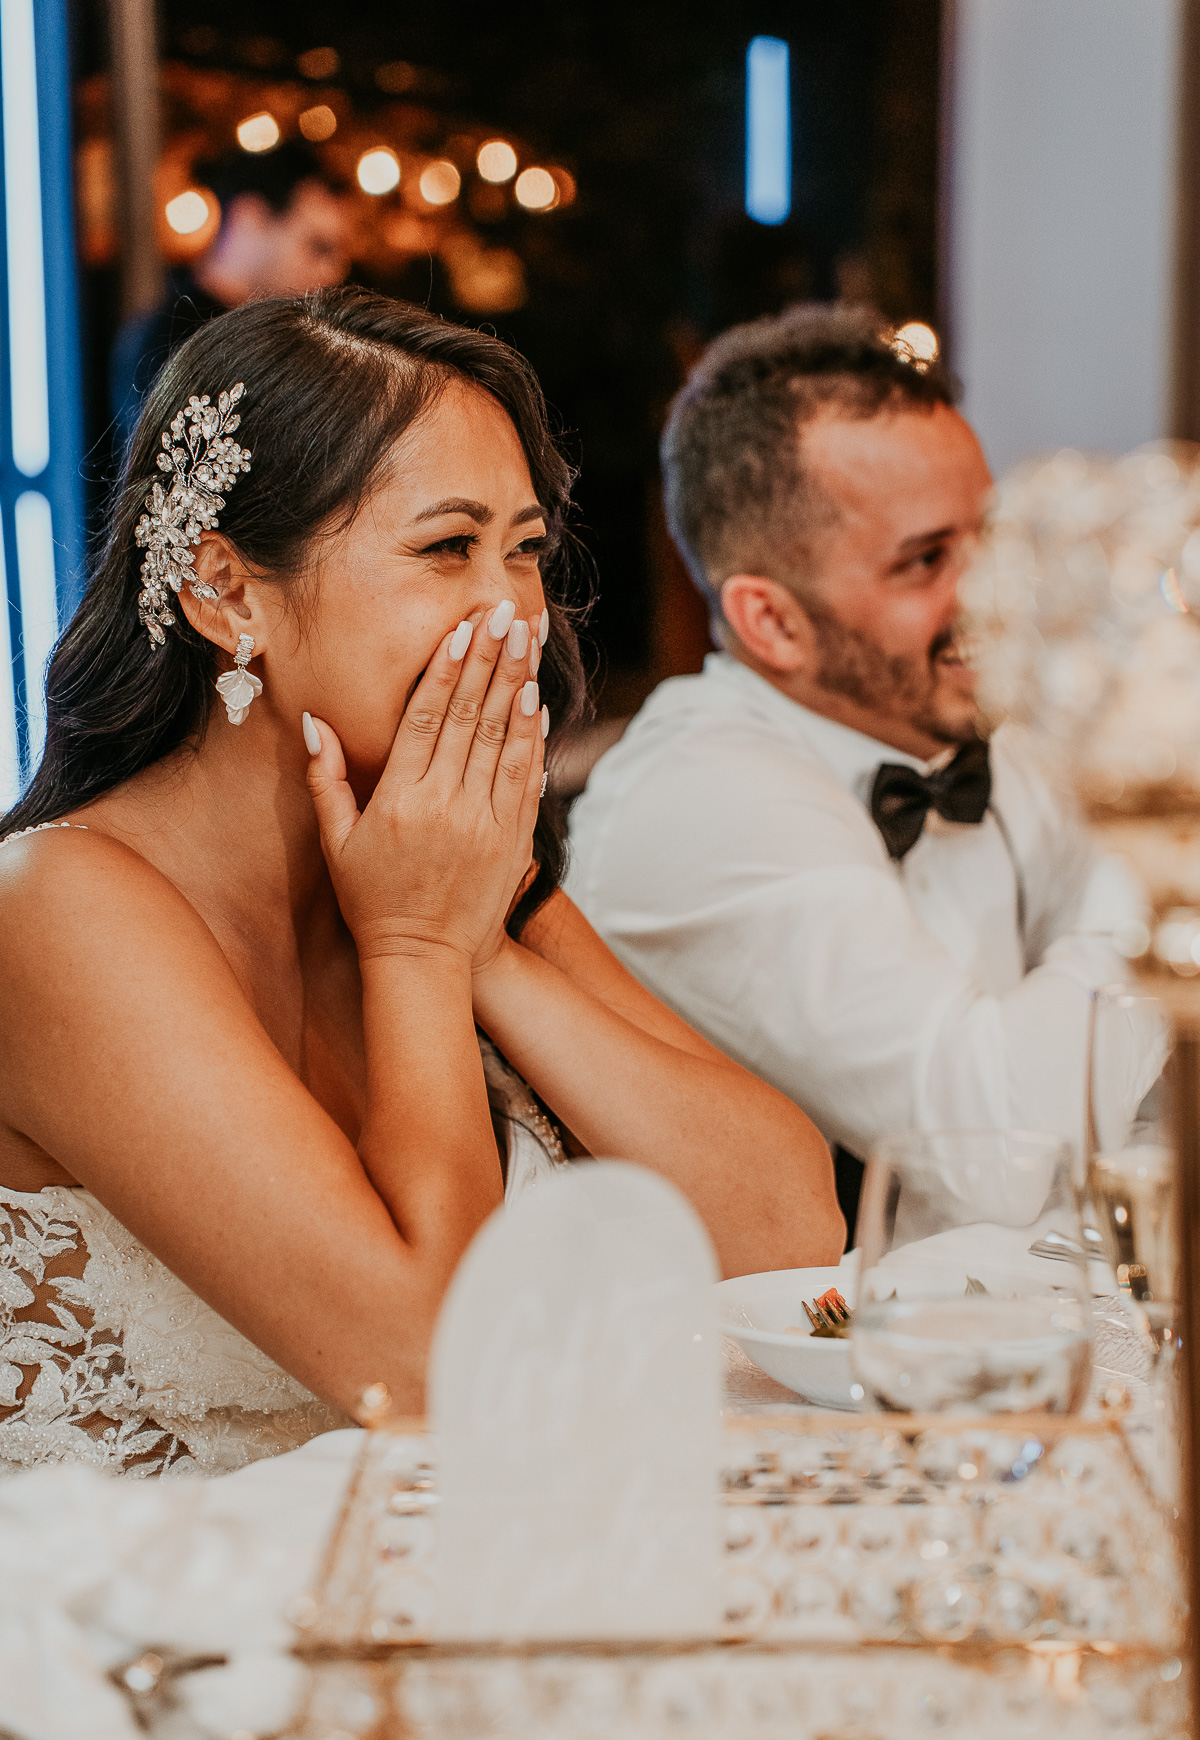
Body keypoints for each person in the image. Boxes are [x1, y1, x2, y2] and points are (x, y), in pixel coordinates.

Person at [0, 289, 840, 1477]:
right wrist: (415, 955)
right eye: (447, 549)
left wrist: (479, 947)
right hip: (160, 1638)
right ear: (224, 591)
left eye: (527, 550)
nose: (513, 615)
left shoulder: (451, 856)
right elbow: (437, 1373)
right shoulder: (58, 910)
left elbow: (787, 1233)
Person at [567, 304, 1141, 1237]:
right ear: (773, 623)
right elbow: (990, 1154)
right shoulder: (704, 800)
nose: (993, 588)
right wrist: (1166, 853)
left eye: (987, 536)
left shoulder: (965, 727)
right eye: (926, 562)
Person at [109, 143, 352, 448]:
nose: (333, 272)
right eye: (318, 247)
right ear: (251, 218)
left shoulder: (268, 331)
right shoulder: (173, 340)